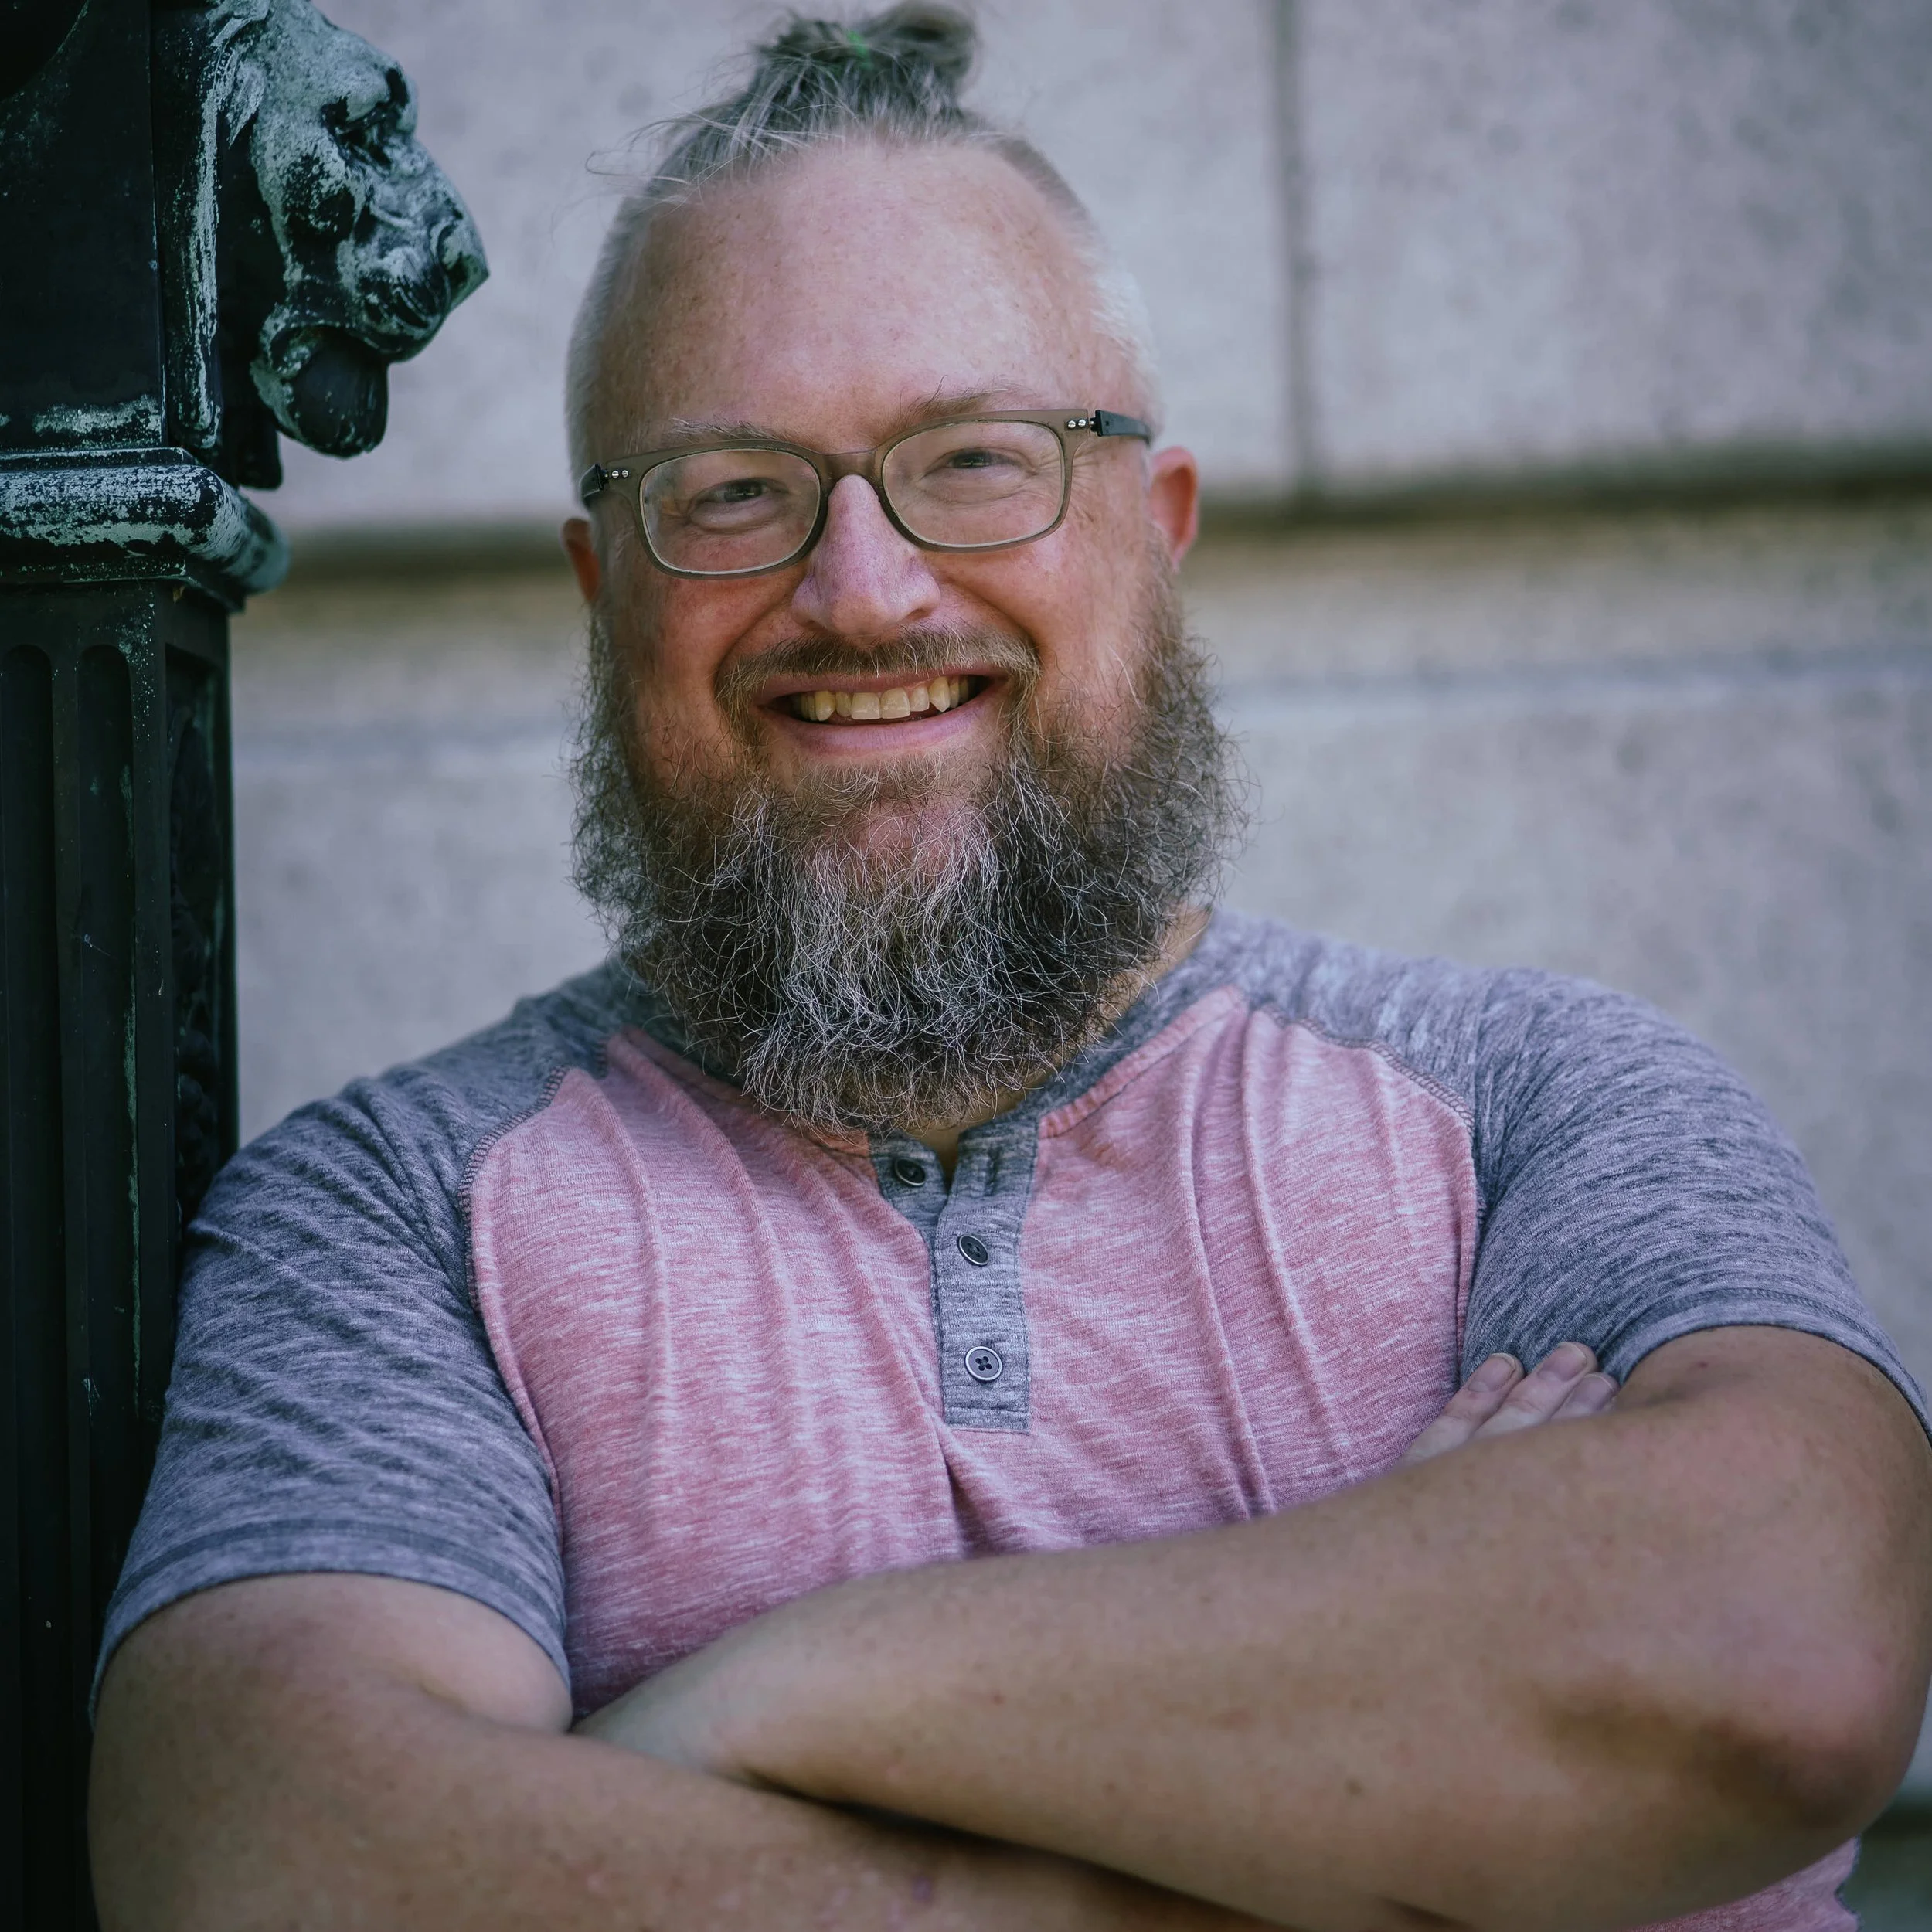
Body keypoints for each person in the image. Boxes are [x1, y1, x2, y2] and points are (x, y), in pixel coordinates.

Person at [90, 9, 1931, 1930]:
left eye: (974, 461)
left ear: (1158, 530)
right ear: (600, 590)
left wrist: (753, 1696)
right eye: (729, 490)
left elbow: (1774, 1664)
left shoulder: (1538, 1106)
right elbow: (277, 1867)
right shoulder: (388, 1222)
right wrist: (1369, 1776)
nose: (863, 588)